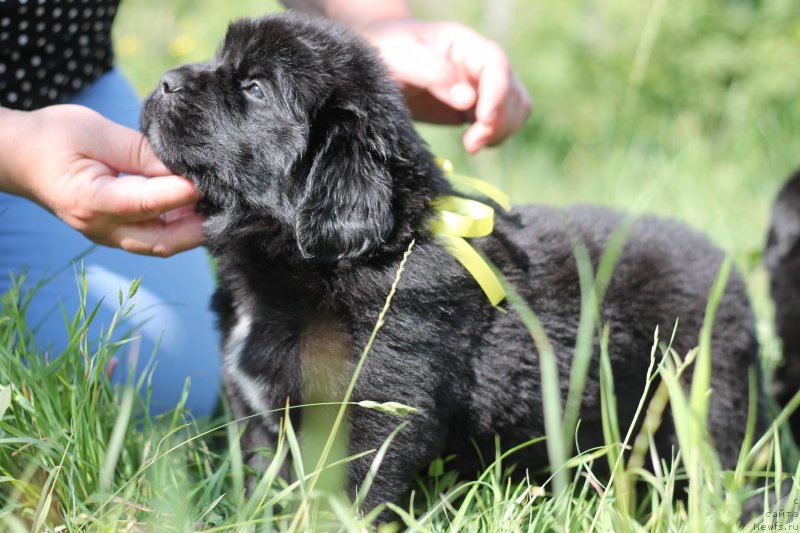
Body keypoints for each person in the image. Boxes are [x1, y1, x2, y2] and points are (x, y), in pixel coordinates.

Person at [0, 0, 531, 417]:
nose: (176, 77)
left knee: (157, 378)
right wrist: (17, 152)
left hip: (56, 77)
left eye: (249, 85)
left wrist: (383, 23)